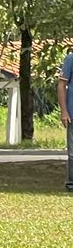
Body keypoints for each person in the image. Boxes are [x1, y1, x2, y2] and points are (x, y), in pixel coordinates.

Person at [58, 50, 73, 191]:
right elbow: (62, 85)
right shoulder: (71, 58)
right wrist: (64, 111)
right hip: (72, 114)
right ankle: (71, 185)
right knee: (72, 153)